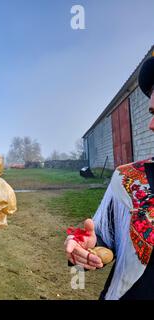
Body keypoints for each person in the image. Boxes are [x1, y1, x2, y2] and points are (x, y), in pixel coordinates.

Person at [64, 56, 154, 300]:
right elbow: (103, 235)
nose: (151, 125)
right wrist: (86, 245)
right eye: (152, 112)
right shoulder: (127, 180)